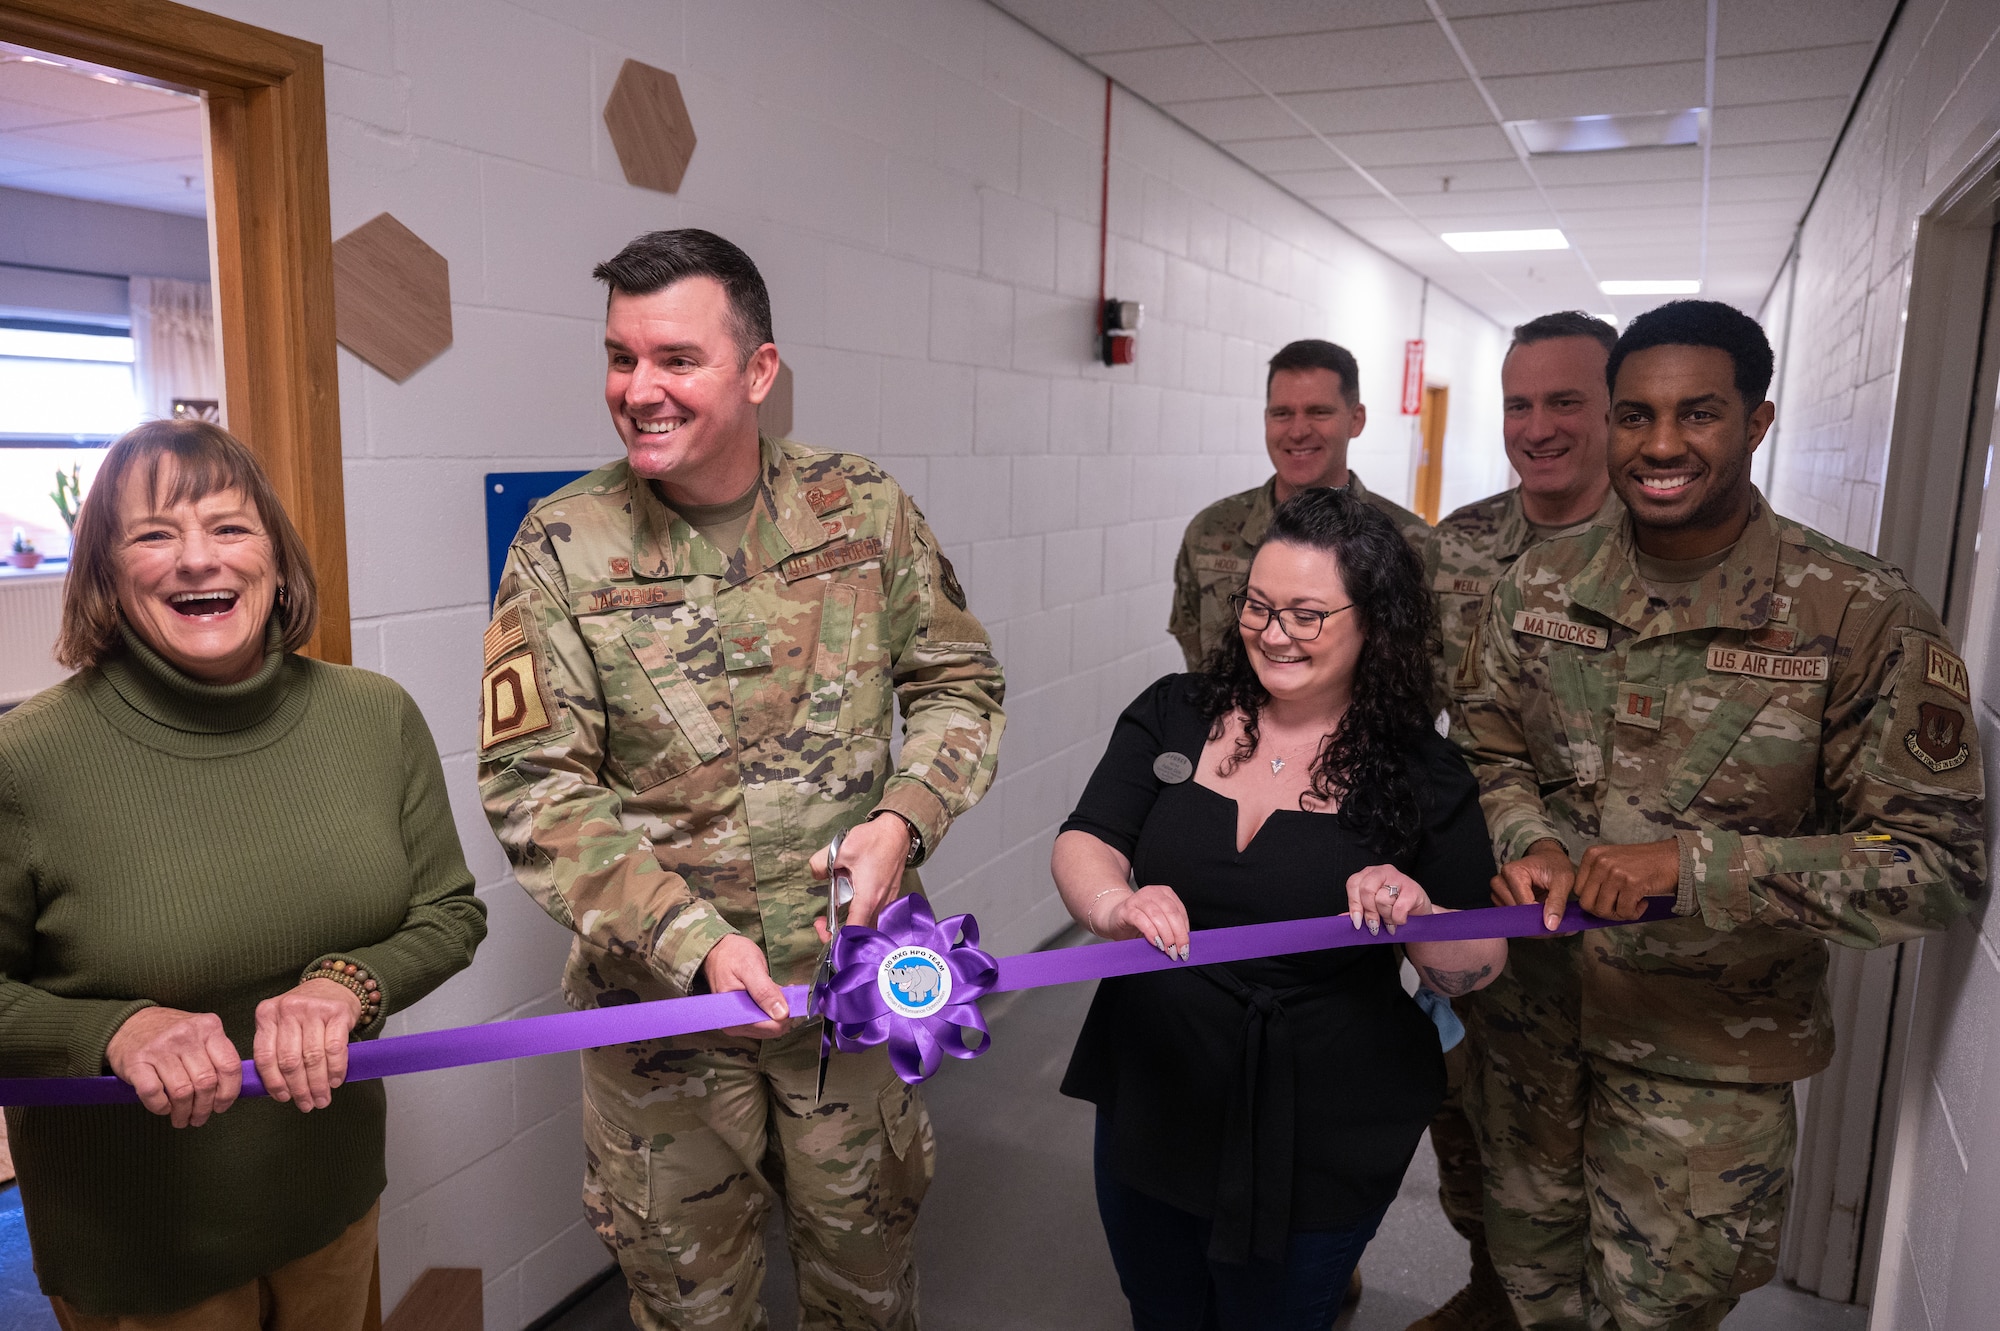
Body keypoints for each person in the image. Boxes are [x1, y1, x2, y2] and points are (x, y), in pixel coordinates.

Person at [477, 229, 1005, 1331]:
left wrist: (903, 821)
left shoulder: (861, 510)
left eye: (675, 358)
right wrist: (691, 939)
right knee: (691, 1307)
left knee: (867, 1286)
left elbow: (960, 685)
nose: (639, 389)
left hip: (850, 1000)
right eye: (621, 358)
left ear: (758, 371)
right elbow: (535, 784)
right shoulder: (562, 546)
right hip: (662, 1019)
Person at [1455, 300, 1984, 1330]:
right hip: (1529, 1038)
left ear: (1755, 420)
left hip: (1700, 1071)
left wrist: (1690, 867)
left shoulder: (1853, 610)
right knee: (1525, 1297)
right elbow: (1488, 749)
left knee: (1652, 1315)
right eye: (1633, 415)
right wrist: (1524, 841)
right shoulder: (1538, 583)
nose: (1658, 445)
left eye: (1695, 414)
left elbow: (1935, 861)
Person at [0, 419, 488, 1329]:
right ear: (105, 569)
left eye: (229, 527)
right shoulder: (25, 761)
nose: (197, 560)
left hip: (329, 1205)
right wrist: (115, 1027)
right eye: (154, 534)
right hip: (141, 1248)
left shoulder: (374, 717)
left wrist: (348, 986)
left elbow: (448, 912)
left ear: (274, 555)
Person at [1056, 487, 1504, 1331]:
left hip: (1322, 1120)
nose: (1272, 632)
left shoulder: (1421, 769)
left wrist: (1419, 916)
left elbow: (1476, 960)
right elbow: (1087, 837)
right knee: (1161, 1307)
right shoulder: (1175, 712)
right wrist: (1116, 901)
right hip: (1157, 1086)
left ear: (1373, 620)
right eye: (1259, 606)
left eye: (1306, 614)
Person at [1411, 311, 1622, 1331]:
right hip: (1477, 908)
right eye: (1518, 404)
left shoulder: (1660, 542)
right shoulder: (1461, 546)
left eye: (1563, 401)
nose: (1535, 427)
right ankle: (1488, 1292)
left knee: (1600, 1178)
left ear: (1614, 409)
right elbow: (1412, 719)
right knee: (1471, 1133)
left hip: (1624, 931)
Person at [1170, 338, 1430, 670]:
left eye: (1318, 412)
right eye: (1282, 413)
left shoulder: (1412, 542)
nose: (1297, 431)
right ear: (1266, 420)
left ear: (1356, 419)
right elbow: (1195, 651)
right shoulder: (1210, 531)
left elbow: (1422, 672)